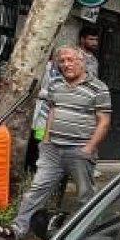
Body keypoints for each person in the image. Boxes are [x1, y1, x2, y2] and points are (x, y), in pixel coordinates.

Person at [0, 46, 110, 240]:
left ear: (81, 62)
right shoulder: (56, 85)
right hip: (53, 150)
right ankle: (17, 229)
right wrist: (46, 141)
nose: (66, 64)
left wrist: (89, 148)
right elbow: (52, 113)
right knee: (36, 191)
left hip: (79, 151)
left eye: (70, 60)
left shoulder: (98, 88)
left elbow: (104, 121)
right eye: (62, 61)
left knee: (85, 195)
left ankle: (84, 235)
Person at [27, 27, 102, 171]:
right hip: (48, 112)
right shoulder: (51, 68)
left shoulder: (92, 63)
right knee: (40, 141)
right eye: (63, 60)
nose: (67, 63)